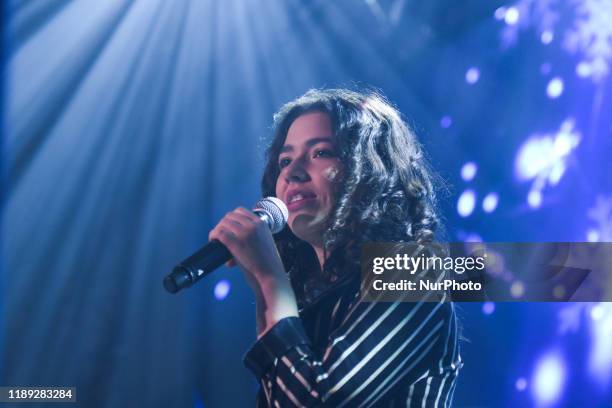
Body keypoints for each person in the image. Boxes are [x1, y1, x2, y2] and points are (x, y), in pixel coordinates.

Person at [209, 88, 462, 407]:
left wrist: (269, 278)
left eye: (321, 153)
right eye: (285, 160)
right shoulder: (309, 300)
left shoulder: (415, 273)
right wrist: (265, 284)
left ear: (370, 171)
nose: (292, 171)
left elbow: (322, 401)